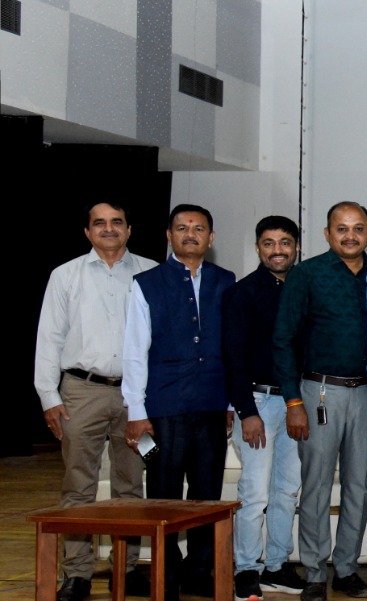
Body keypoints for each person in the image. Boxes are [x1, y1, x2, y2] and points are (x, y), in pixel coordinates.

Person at [35, 201, 158, 601]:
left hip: (135, 397)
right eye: (99, 223)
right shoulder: (65, 275)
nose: (108, 228)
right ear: (87, 232)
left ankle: (127, 569)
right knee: (78, 486)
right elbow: (49, 337)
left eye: (116, 222)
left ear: (129, 230)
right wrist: (48, 396)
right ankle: (78, 574)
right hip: (80, 392)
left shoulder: (151, 272)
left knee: (131, 484)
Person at [121, 204, 236, 599]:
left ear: (211, 238)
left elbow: (232, 347)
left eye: (199, 228)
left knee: (206, 493)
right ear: (169, 236)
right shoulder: (146, 283)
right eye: (182, 228)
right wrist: (137, 411)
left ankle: (199, 571)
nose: (191, 234)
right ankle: (165, 574)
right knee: (163, 492)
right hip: (162, 407)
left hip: (212, 403)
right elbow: (135, 351)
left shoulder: (226, 280)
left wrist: (230, 404)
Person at [274, 201, 367, 601]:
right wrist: (292, 402)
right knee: (316, 484)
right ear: (327, 233)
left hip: (366, 392)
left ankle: (347, 568)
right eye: (342, 228)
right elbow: (283, 340)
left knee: (359, 484)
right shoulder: (306, 274)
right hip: (318, 391)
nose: (350, 235)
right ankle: (315, 571)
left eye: (358, 228)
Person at [226, 216, 309, 599]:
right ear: (258, 248)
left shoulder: (303, 289)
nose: (278, 250)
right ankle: (246, 568)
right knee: (255, 493)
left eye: (285, 242)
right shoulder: (241, 293)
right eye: (269, 243)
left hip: (296, 403)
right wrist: (247, 412)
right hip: (257, 402)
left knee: (287, 491)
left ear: (296, 247)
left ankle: (276, 565)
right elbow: (232, 358)